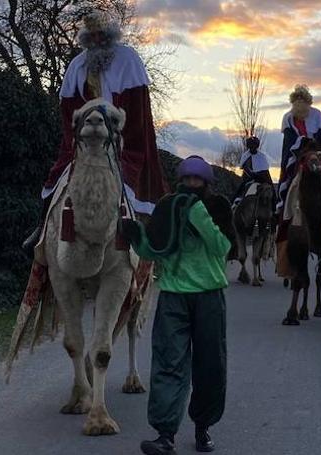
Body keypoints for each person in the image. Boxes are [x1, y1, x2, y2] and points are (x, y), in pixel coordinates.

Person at [22, 9, 167, 254]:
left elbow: (137, 112)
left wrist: (119, 140)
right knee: (55, 179)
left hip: (120, 138)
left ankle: (146, 243)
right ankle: (43, 230)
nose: (97, 41)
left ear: (110, 36)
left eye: (102, 36)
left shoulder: (128, 60)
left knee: (132, 185)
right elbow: (68, 111)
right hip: (85, 138)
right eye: (93, 37)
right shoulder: (77, 65)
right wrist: (77, 140)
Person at [121, 156, 231, 455]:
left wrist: (198, 217)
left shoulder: (216, 207)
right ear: (180, 182)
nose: (191, 186)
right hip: (172, 294)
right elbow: (154, 249)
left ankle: (203, 427)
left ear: (206, 184)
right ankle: (165, 434)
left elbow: (223, 247)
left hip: (209, 294)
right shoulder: (167, 206)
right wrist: (136, 238)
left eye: (197, 181)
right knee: (169, 363)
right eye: (187, 181)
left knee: (210, 365)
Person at [277, 84, 321, 216]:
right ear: (293, 101)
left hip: (318, 150)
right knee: (287, 175)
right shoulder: (287, 117)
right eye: (297, 99)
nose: (300, 102)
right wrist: (302, 144)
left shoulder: (317, 115)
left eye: (302, 99)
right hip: (298, 152)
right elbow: (289, 141)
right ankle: (283, 210)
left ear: (307, 101)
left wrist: (319, 148)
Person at [232, 136, 274, 205]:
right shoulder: (246, 156)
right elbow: (246, 169)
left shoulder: (262, 156)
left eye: (254, 146)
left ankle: (274, 207)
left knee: (271, 190)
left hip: (262, 179)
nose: (252, 148)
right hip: (249, 179)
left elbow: (265, 171)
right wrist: (252, 174)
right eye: (251, 146)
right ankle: (235, 204)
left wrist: (261, 176)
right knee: (240, 191)